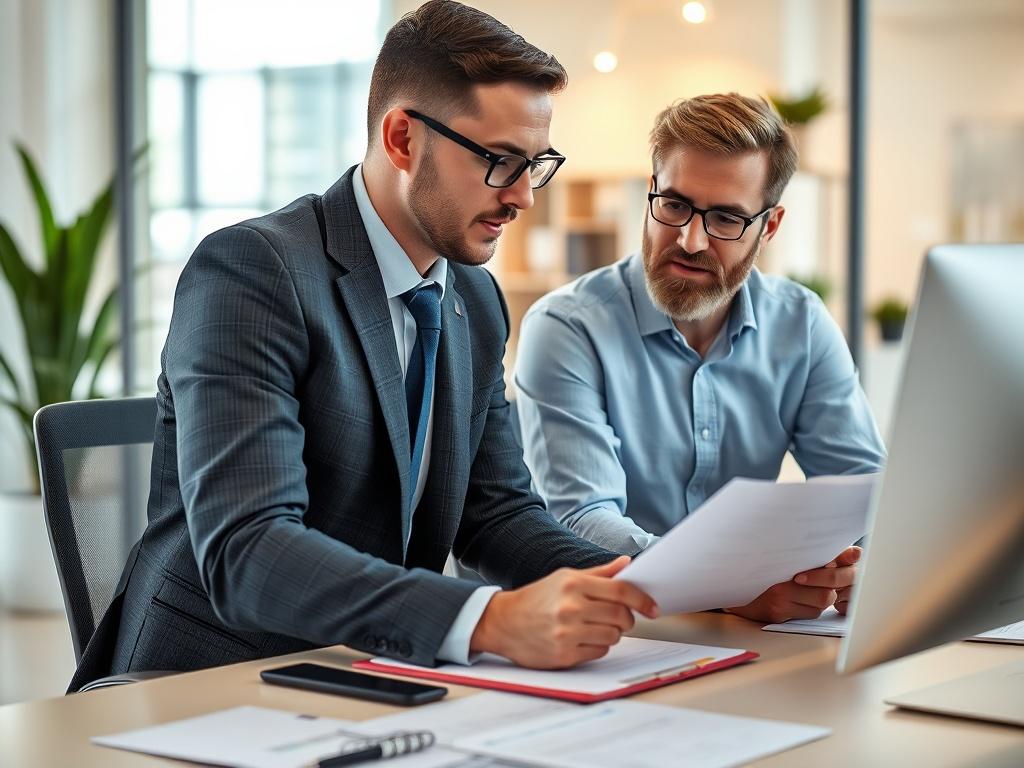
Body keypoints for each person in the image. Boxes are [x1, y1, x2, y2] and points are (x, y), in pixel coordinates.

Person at [70, 0, 658, 693]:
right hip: (208, 681)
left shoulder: (471, 297)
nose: (524, 197)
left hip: (370, 673)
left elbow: (495, 512)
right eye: (500, 162)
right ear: (403, 138)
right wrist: (487, 620)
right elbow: (247, 550)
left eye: (537, 164)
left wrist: (666, 584)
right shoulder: (253, 272)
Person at [514, 93, 885, 625]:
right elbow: (583, 519)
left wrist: (859, 566)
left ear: (770, 226)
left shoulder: (800, 322)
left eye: (728, 218)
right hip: (608, 628)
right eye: (675, 205)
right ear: (650, 193)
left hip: (742, 638)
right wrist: (730, 586)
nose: (690, 240)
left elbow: (866, 493)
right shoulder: (568, 326)